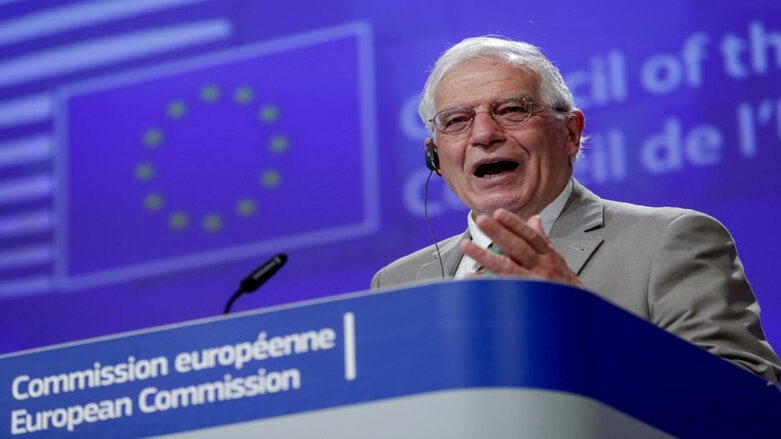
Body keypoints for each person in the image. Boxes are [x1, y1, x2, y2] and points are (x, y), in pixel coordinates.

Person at [371, 36, 781, 384]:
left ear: (570, 133)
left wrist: (585, 322)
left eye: (512, 110)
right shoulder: (397, 284)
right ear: (436, 159)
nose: (484, 134)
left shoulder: (670, 242)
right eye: (456, 120)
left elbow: (749, 404)